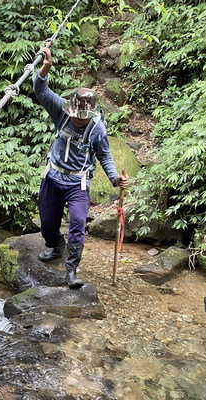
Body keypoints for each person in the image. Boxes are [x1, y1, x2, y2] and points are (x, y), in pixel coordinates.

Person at [33, 46, 129, 289]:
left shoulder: (97, 128)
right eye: (76, 115)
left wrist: (114, 178)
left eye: (83, 116)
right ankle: (56, 246)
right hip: (54, 177)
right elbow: (40, 89)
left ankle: (71, 270)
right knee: (47, 223)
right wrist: (46, 67)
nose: (79, 119)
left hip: (78, 183)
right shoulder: (61, 111)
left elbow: (104, 155)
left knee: (77, 223)